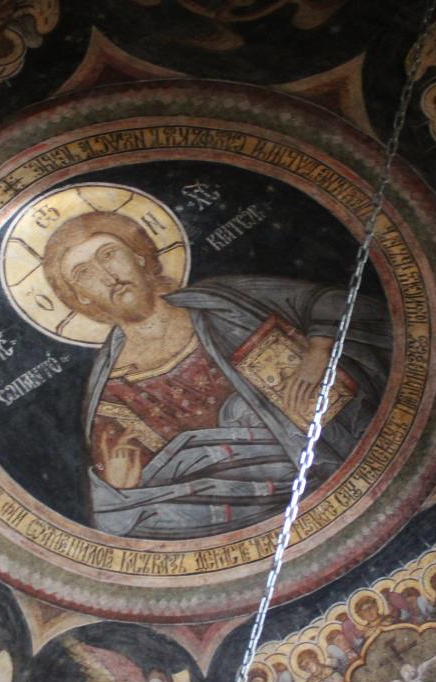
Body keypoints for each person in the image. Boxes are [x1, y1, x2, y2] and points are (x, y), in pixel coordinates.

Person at [41, 211, 391, 538]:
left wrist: (317, 352)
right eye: (84, 274)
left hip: (344, 464)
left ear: (140, 256)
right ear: (81, 299)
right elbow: (123, 516)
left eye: (109, 255)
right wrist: (120, 489)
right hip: (254, 523)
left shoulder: (224, 303)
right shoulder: (111, 397)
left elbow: (333, 301)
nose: (107, 275)